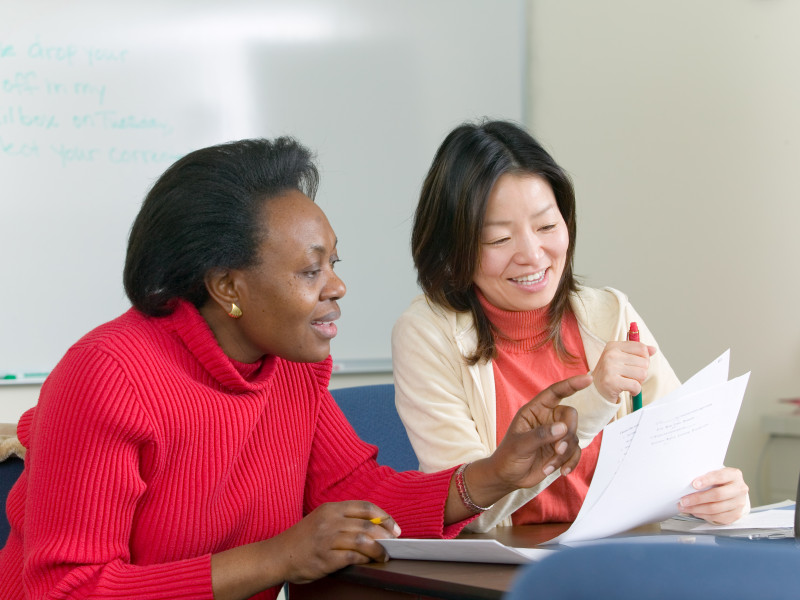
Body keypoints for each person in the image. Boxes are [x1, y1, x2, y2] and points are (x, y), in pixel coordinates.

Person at [0, 137, 588, 600]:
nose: (338, 286)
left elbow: (359, 496)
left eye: (333, 262)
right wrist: (279, 556)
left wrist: (496, 474)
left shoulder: (291, 368)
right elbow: (67, 589)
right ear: (228, 285)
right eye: (311, 272)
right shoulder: (106, 376)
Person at [392, 119, 750, 533]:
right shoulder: (425, 333)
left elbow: (681, 464)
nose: (532, 254)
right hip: (505, 572)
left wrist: (717, 496)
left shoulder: (610, 314)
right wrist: (594, 400)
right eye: (498, 239)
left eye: (546, 226)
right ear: (454, 247)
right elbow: (474, 511)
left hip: (620, 559)